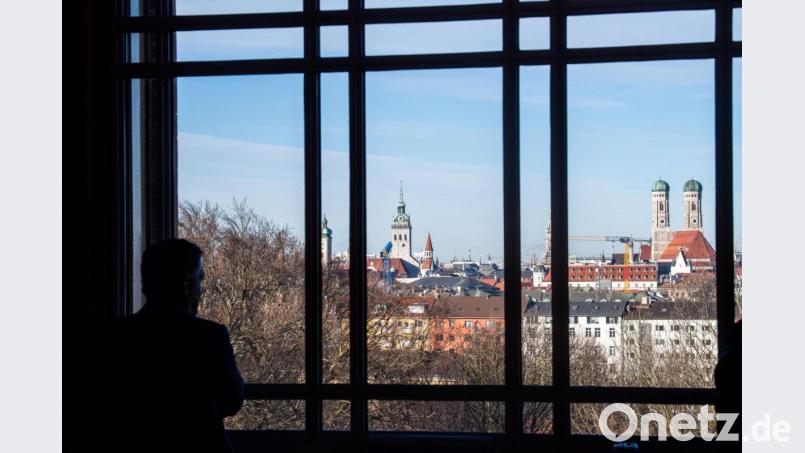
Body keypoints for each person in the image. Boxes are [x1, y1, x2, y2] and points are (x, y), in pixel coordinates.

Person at [96, 239, 244, 452]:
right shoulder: (209, 336)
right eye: (199, 281)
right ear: (186, 285)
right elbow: (232, 400)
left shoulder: (113, 336)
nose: (201, 291)